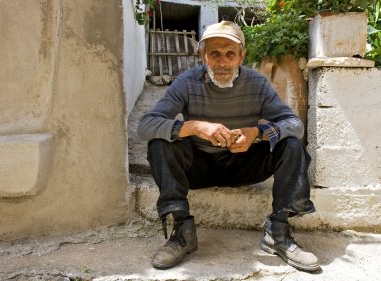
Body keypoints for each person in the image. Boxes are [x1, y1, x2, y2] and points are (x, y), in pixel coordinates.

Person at [137, 20, 320, 272]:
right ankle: (183, 231)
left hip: (244, 165)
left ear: (241, 56)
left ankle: (278, 232)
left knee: (291, 145)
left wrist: (258, 133)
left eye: (230, 54)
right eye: (214, 53)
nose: (222, 62)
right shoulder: (186, 82)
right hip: (198, 167)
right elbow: (145, 125)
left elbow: (294, 125)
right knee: (160, 143)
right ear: (203, 55)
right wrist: (195, 127)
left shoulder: (258, 84)